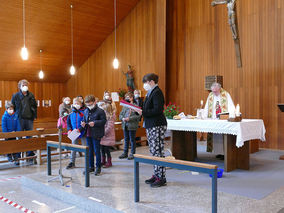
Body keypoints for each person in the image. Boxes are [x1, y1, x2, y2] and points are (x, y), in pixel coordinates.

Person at [141, 73, 167, 187]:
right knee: (153, 151)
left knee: (158, 151)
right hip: (150, 125)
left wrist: (143, 112)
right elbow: (146, 108)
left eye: (145, 82)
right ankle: (156, 174)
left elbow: (158, 109)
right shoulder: (149, 93)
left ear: (151, 81)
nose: (144, 85)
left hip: (157, 125)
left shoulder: (157, 92)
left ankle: (161, 177)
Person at [203, 82, 235, 158]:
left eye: (215, 91)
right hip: (213, 118)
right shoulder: (211, 95)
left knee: (222, 136)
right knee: (216, 136)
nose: (214, 93)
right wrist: (204, 115)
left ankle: (225, 153)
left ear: (219, 89)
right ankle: (218, 152)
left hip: (223, 119)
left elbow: (230, 106)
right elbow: (207, 106)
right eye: (213, 91)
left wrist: (232, 115)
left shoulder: (225, 94)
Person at [11, 79, 37, 164]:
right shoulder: (15, 96)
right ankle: (17, 157)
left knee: (29, 137)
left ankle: (30, 156)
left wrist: (34, 116)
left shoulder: (31, 95)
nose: (25, 86)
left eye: (26, 85)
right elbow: (12, 107)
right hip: (20, 119)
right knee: (19, 137)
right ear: (20, 86)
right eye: (23, 85)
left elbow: (34, 106)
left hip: (29, 119)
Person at [80, 95, 106, 176]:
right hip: (88, 133)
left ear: (94, 102)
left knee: (96, 151)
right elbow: (84, 119)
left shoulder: (100, 111)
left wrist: (95, 123)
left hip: (96, 133)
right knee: (89, 151)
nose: (88, 106)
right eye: (87, 105)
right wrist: (83, 124)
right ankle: (91, 167)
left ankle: (98, 167)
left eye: (90, 104)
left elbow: (104, 121)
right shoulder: (86, 111)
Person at [66, 97, 87, 169]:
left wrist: (80, 129)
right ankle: (72, 162)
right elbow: (68, 123)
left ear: (81, 104)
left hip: (83, 132)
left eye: (77, 103)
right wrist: (69, 130)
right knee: (73, 148)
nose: (76, 105)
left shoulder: (84, 112)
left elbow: (85, 122)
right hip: (74, 133)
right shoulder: (71, 113)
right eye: (74, 103)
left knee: (85, 148)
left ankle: (88, 162)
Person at [119, 92, 141, 160]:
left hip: (132, 125)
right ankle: (125, 152)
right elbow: (120, 115)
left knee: (132, 139)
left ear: (132, 98)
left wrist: (129, 119)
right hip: (125, 125)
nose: (127, 98)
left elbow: (138, 116)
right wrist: (122, 118)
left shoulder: (135, 106)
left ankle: (132, 153)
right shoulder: (125, 106)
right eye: (126, 98)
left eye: (128, 97)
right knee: (126, 139)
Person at [99, 102, 116, 168]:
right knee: (102, 149)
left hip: (108, 136)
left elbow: (109, 127)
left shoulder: (110, 117)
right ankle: (103, 160)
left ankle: (109, 162)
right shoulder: (104, 116)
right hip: (103, 136)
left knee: (107, 150)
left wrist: (103, 132)